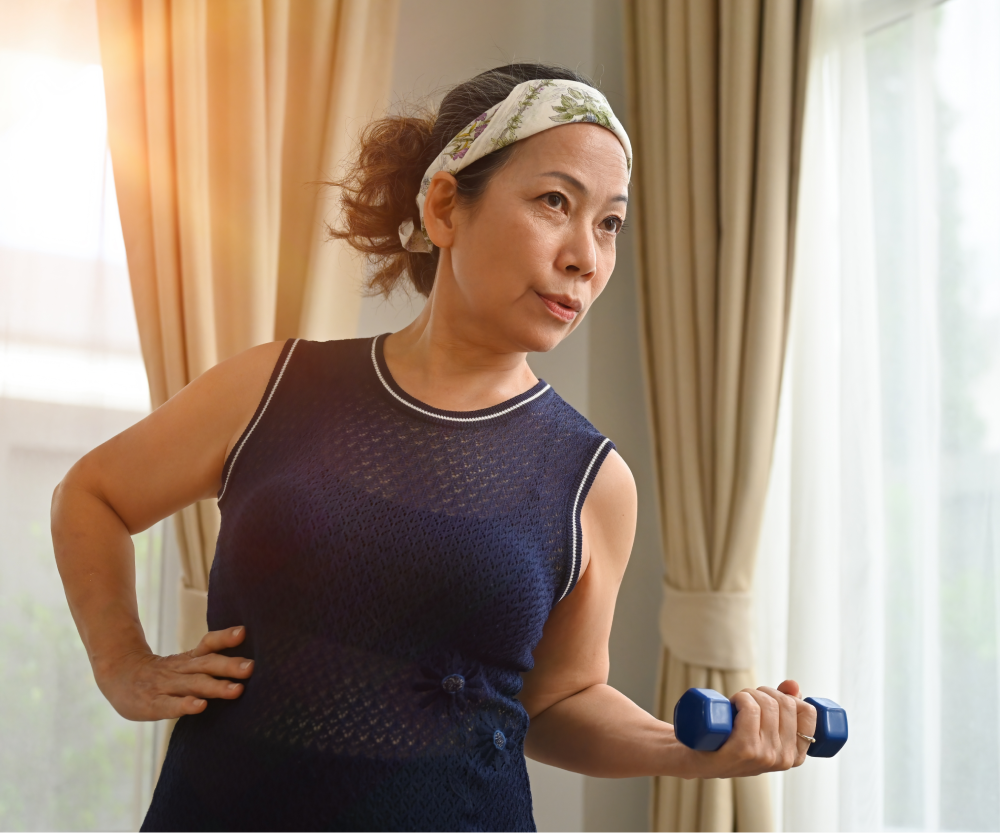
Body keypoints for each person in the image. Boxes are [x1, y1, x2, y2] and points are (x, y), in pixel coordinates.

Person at [51, 63, 817, 831]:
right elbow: (92, 495)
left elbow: (555, 702)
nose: (586, 255)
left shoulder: (593, 481)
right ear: (446, 205)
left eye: (610, 222)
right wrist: (122, 661)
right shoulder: (273, 386)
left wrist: (686, 750)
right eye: (556, 202)